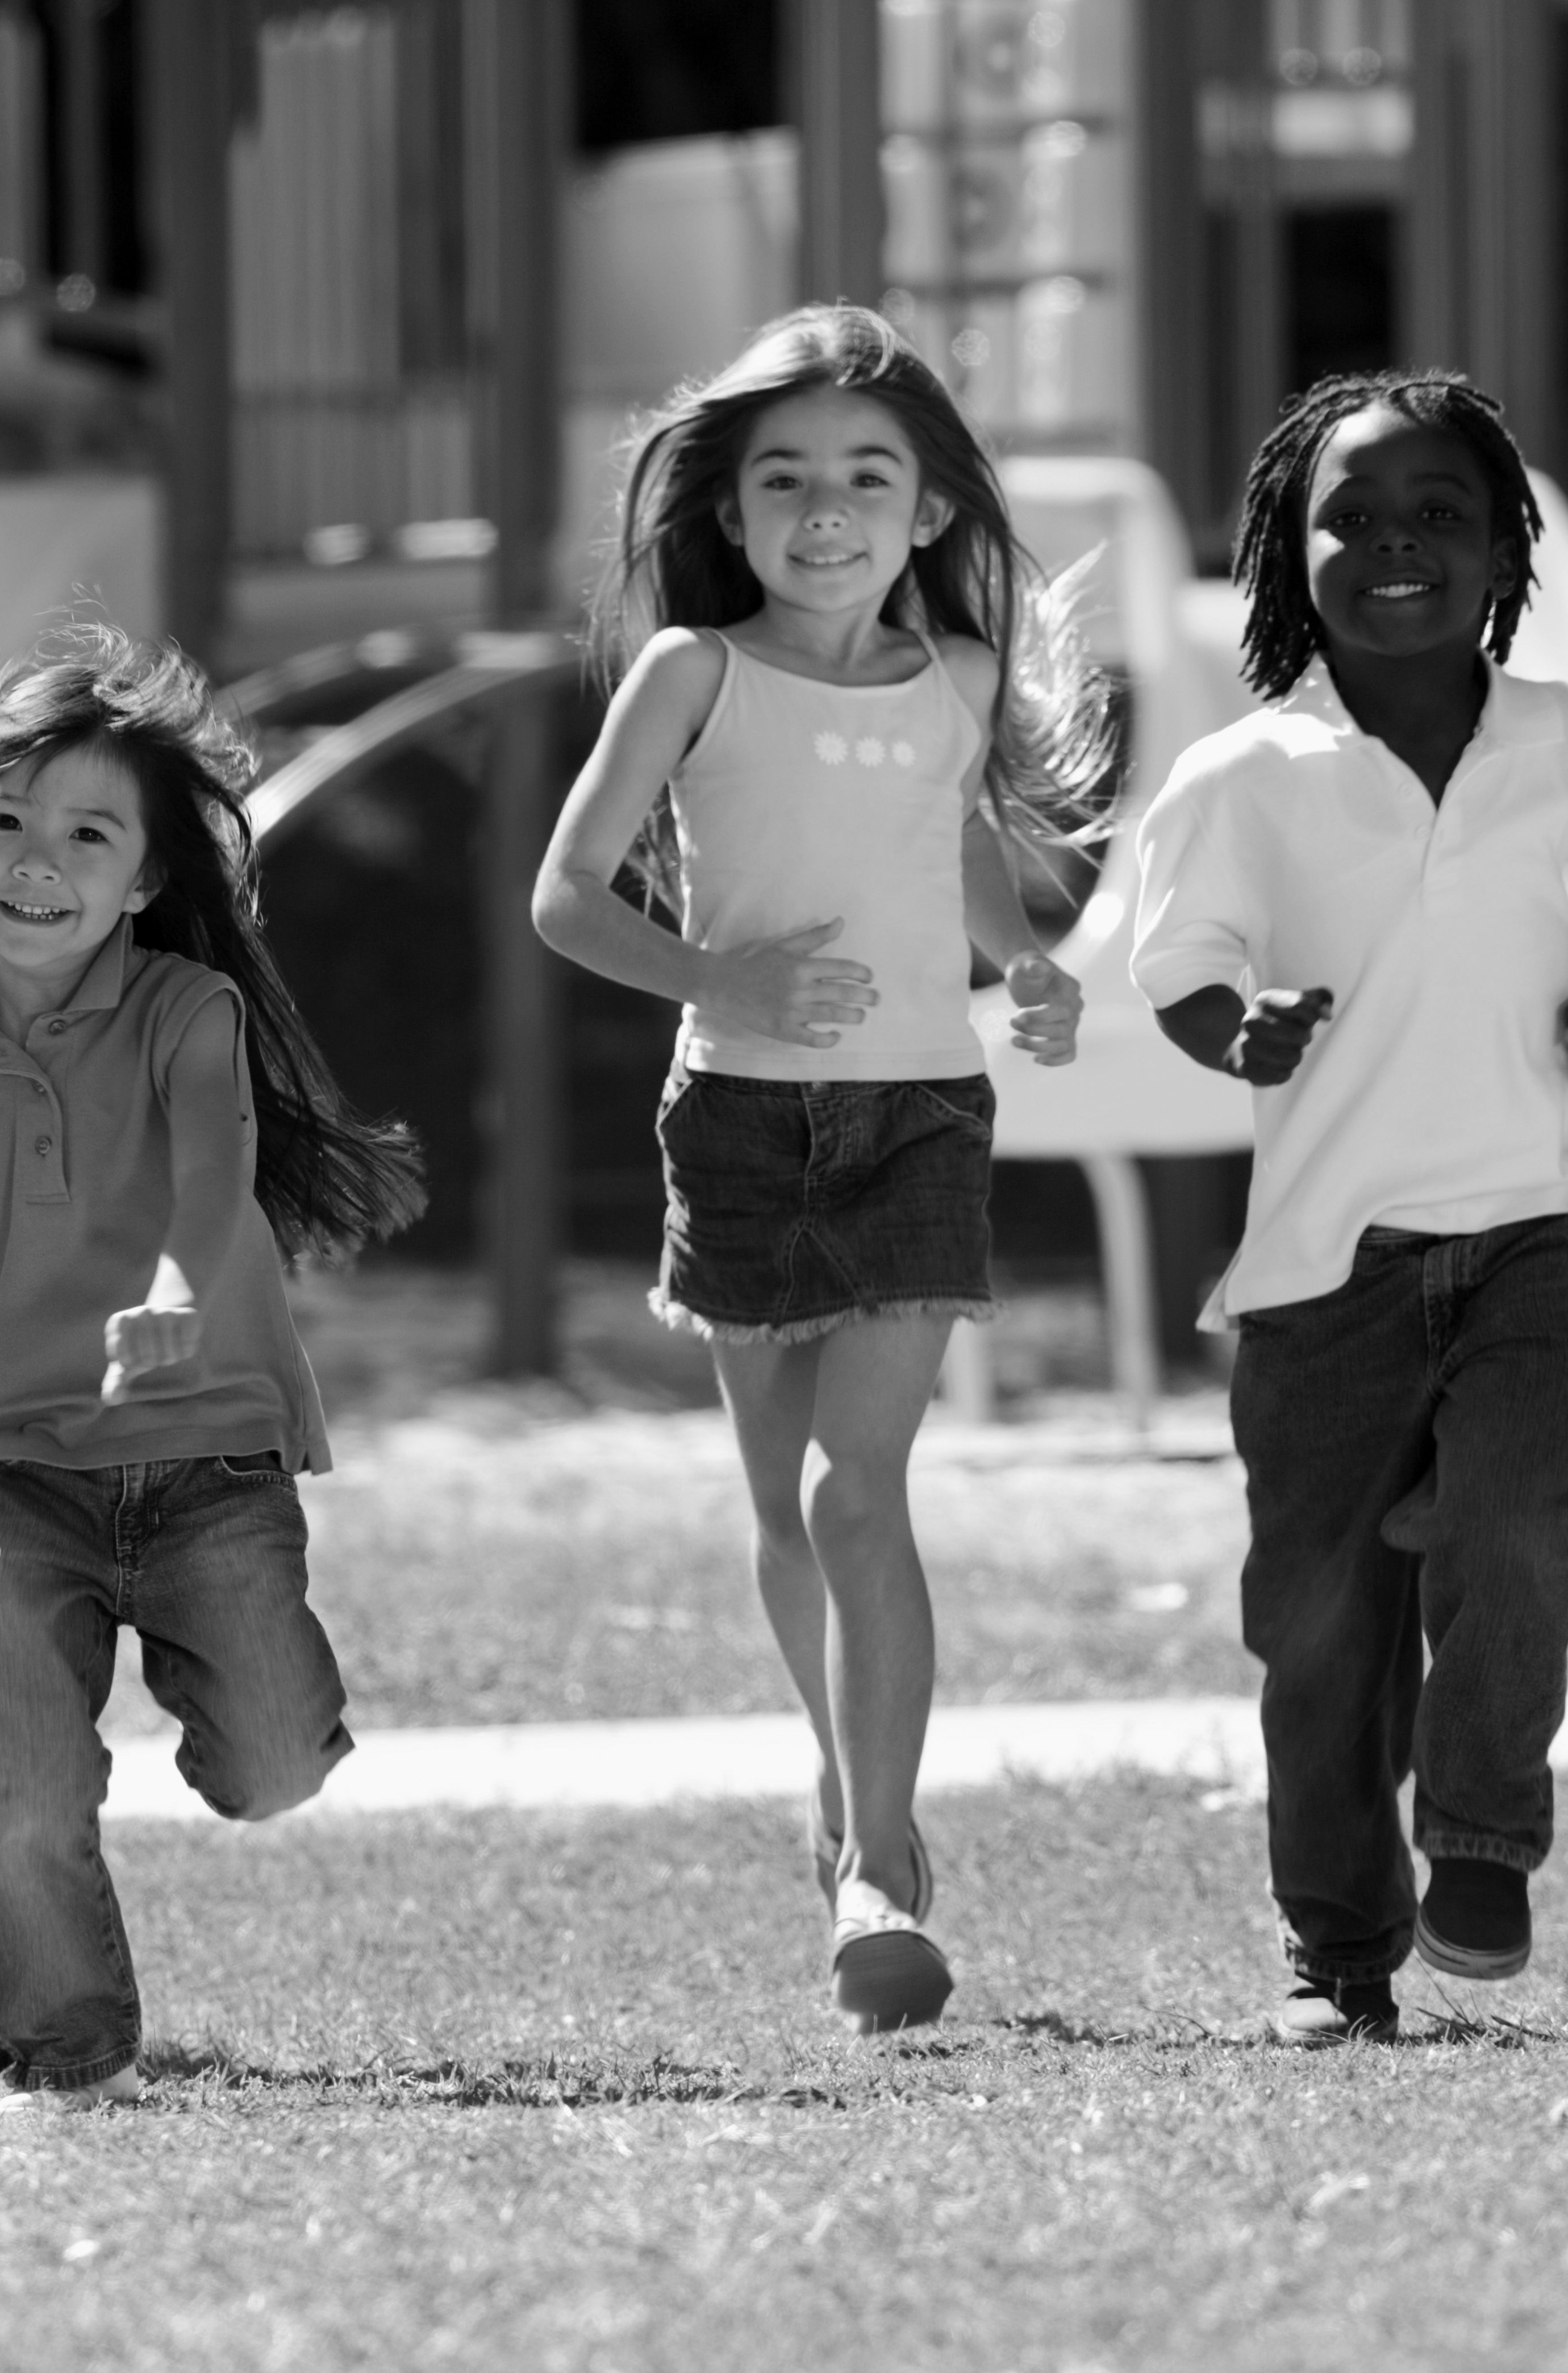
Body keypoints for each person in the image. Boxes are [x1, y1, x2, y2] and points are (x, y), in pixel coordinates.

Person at [531, 305, 1107, 2034]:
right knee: (778, 1505)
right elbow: (564, 899)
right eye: (781, 478)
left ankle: (880, 1854)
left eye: (866, 475)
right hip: (739, 1124)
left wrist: (1025, 963)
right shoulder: (688, 675)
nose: (823, 507)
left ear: (928, 510)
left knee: (858, 1493)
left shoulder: (958, 682)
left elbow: (952, 846)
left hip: (921, 1113)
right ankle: (839, 1781)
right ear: (732, 509)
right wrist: (729, 981)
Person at [0, 626, 424, 2116]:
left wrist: (164, 1293)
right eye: (3, 821)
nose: (35, 857)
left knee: (269, 1767)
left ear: (142, 880)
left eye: (86, 833)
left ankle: (250, 1725)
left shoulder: (183, 1013)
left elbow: (212, 1190)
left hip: (206, 1447)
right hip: (10, 1463)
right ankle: (59, 2052)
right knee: (8, 1778)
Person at [1128, 368, 1568, 2047]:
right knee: (1320, 1627)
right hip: (1325, 1261)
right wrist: (1244, 1031)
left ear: (1502, 543)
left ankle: (1484, 1838)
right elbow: (1179, 971)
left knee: (1521, 1523)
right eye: (1346, 516)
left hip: (1543, 1213)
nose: (1391, 544)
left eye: (1438, 513)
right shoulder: (1241, 774)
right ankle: (1338, 1954)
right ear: (1290, 554)